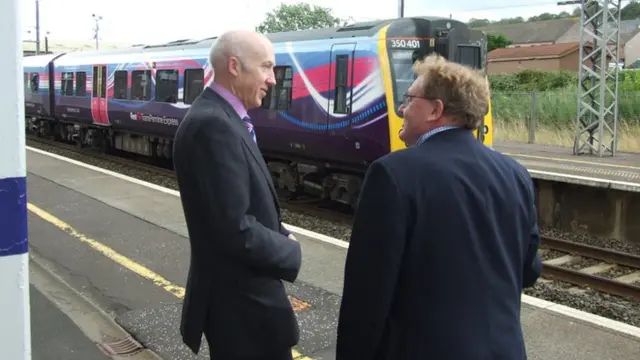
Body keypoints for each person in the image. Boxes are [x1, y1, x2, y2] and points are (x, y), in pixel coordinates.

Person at [335, 54, 542, 360]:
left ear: (435, 109)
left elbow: (368, 293)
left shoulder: (392, 173)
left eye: (409, 99)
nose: (402, 109)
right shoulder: (514, 173)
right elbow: (529, 270)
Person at [172, 30, 302, 360]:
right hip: (242, 310)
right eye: (266, 67)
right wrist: (289, 251)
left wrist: (278, 230)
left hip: (245, 307)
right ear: (234, 65)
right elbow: (234, 229)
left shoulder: (223, 118)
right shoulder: (214, 126)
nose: (273, 80)